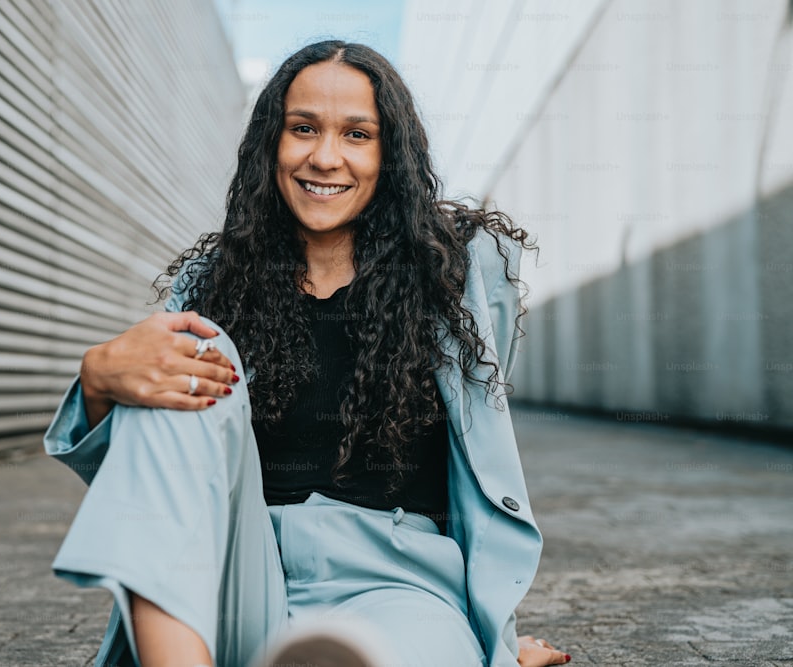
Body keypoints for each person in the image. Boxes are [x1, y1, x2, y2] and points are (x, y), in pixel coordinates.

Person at [44, 40, 570, 667]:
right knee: (182, 375)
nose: (325, 157)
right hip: (234, 575)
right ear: (271, 143)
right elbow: (152, 482)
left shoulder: (462, 271)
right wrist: (99, 377)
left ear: (391, 153)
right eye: (303, 129)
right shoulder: (212, 283)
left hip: (399, 583)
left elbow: (479, 457)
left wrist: (493, 642)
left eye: (357, 134)